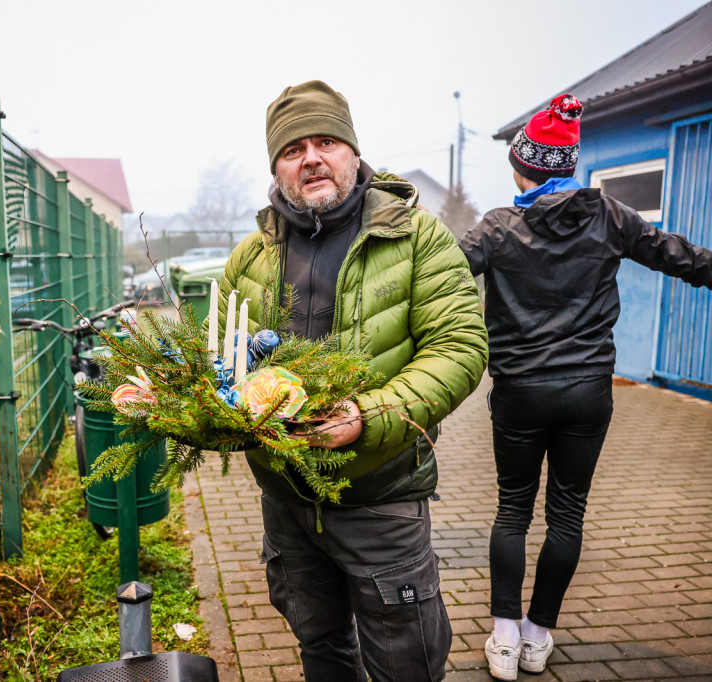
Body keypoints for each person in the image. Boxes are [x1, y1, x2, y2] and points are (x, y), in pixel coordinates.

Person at [217, 80, 489, 682]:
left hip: (381, 495)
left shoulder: (417, 238)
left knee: (405, 664)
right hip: (286, 502)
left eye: (327, 142)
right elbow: (223, 362)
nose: (311, 157)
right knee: (321, 649)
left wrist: (370, 415)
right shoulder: (251, 256)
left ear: (354, 154)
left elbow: (461, 346)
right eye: (293, 150)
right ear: (278, 167)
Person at [458, 94, 712, 681]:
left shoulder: (498, 228)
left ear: (522, 166)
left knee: (513, 511)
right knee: (567, 514)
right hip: (589, 392)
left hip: (520, 392)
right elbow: (682, 257)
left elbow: (435, 274)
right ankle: (537, 635)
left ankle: (502, 639)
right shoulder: (611, 216)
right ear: (567, 166)